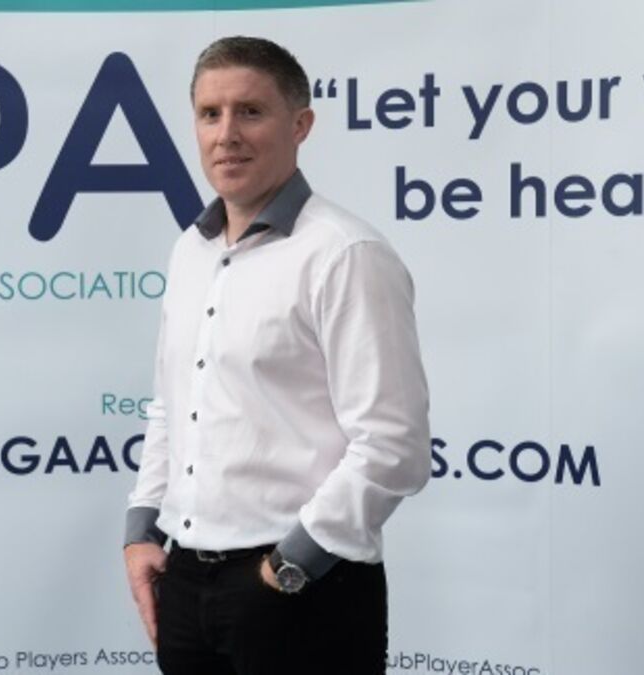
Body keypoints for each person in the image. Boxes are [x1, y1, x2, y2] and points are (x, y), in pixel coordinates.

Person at [123, 36, 431, 675]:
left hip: (303, 587)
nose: (226, 135)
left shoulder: (345, 255)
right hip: (184, 580)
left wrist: (288, 568)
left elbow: (393, 445)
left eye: (250, 111)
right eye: (210, 114)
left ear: (301, 125)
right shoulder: (191, 251)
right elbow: (173, 405)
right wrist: (142, 529)